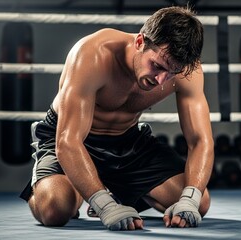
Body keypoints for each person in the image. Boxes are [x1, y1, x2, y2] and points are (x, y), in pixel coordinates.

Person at [19, 6, 214, 231]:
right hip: (71, 139)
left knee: (200, 202)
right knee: (56, 209)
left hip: (127, 142)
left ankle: (115, 194)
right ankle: (83, 191)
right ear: (140, 42)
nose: (161, 80)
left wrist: (189, 199)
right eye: (157, 66)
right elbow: (68, 141)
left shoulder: (187, 71)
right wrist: (104, 206)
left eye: (172, 73)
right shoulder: (93, 54)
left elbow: (200, 141)